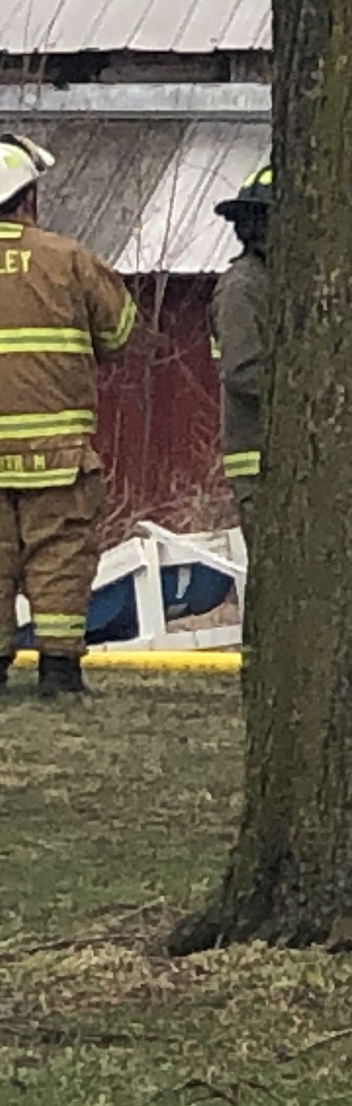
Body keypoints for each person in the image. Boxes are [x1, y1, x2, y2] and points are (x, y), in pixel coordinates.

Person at [0, 133, 137, 697]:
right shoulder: (70, 259)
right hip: (56, 452)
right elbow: (121, 331)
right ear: (27, 197)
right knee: (59, 554)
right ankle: (59, 672)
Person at [209, 164, 272, 549]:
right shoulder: (242, 288)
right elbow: (244, 372)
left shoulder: (281, 280)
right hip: (261, 468)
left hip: (289, 465)